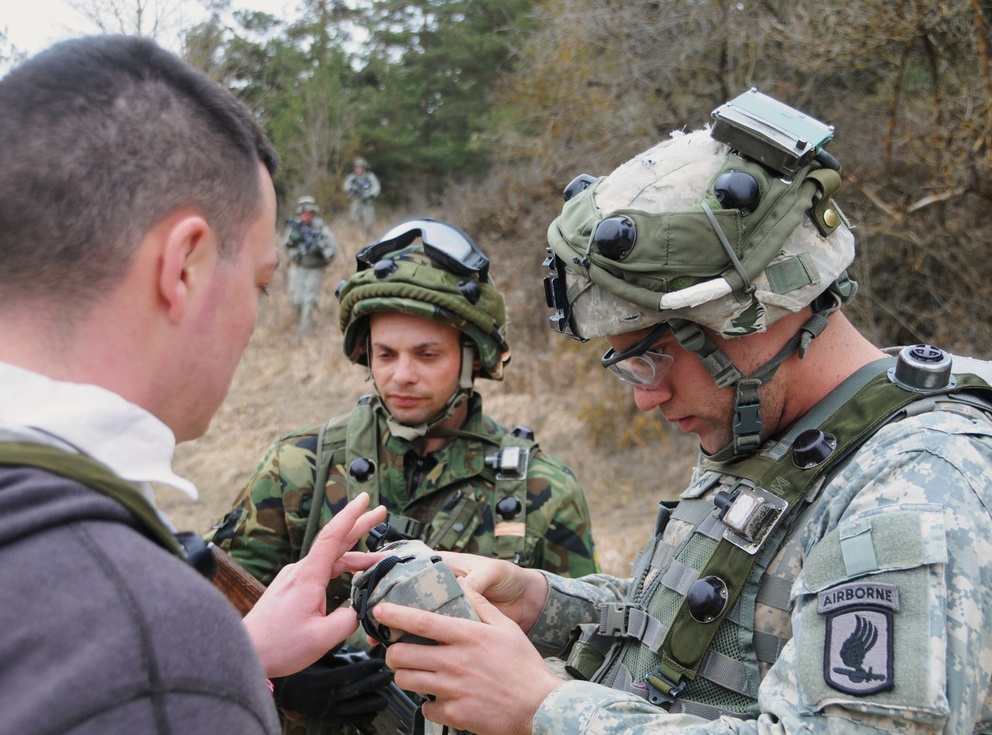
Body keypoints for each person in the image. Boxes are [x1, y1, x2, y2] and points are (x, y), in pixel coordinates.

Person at [369, 95, 992, 733]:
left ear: (758, 311)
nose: (644, 397)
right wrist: (540, 602)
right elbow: (710, 632)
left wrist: (544, 710)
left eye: (652, 359)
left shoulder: (917, 487)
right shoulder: (782, 434)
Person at [0, 35, 388, 735]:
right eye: (260, 285)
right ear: (185, 266)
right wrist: (205, 676)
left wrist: (240, 655)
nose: (252, 322)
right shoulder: (149, 637)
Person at [211, 218, 600, 734]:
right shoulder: (298, 467)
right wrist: (283, 683)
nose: (401, 375)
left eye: (427, 354)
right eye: (385, 354)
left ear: (471, 357)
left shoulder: (541, 491)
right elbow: (212, 619)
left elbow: (587, 659)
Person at [284, 196, 338, 339]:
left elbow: (332, 249)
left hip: (314, 268)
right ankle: (302, 323)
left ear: (313, 213)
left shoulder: (321, 228)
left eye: (309, 213)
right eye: (303, 213)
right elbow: (286, 246)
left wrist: (318, 249)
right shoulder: (294, 227)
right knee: (295, 300)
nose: (306, 216)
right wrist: (296, 250)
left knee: (309, 301)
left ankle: (304, 336)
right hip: (298, 267)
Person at [342, 157, 381, 232]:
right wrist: (352, 189)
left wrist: (370, 194)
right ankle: (358, 233)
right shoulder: (351, 177)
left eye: (360, 167)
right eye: (357, 168)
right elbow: (346, 186)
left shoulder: (370, 176)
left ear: (364, 168)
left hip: (367, 201)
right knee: (354, 219)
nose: (359, 169)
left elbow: (376, 187)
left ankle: (368, 233)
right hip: (356, 200)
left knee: (369, 221)